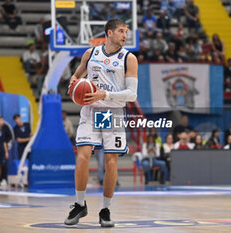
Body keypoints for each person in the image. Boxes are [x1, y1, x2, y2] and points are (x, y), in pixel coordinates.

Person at [64, 19, 138, 227]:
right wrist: (73, 83)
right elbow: (77, 76)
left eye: (126, 32)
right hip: (91, 110)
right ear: (109, 33)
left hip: (113, 112)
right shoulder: (91, 54)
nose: (125, 35)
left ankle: (105, 210)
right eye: (121, 31)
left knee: (110, 162)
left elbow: (132, 95)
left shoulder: (129, 59)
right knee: (82, 156)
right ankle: (80, 204)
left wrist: (104, 94)